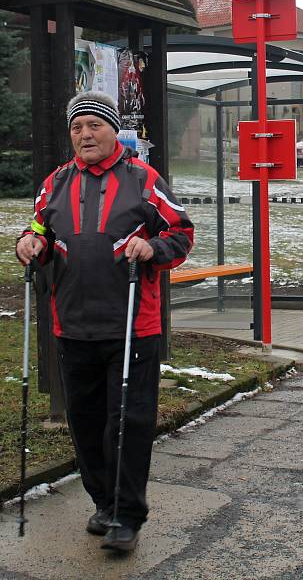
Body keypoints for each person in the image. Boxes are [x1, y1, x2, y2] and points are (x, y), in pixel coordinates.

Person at [14, 91, 194, 551]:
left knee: (127, 424)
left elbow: (181, 231)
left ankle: (128, 516)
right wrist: (29, 246)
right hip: (71, 325)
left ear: (113, 130)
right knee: (87, 422)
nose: (84, 135)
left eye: (94, 125)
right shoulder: (54, 183)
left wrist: (154, 248)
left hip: (133, 324)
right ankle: (104, 504)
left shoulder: (141, 179)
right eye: (76, 128)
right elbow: (39, 229)